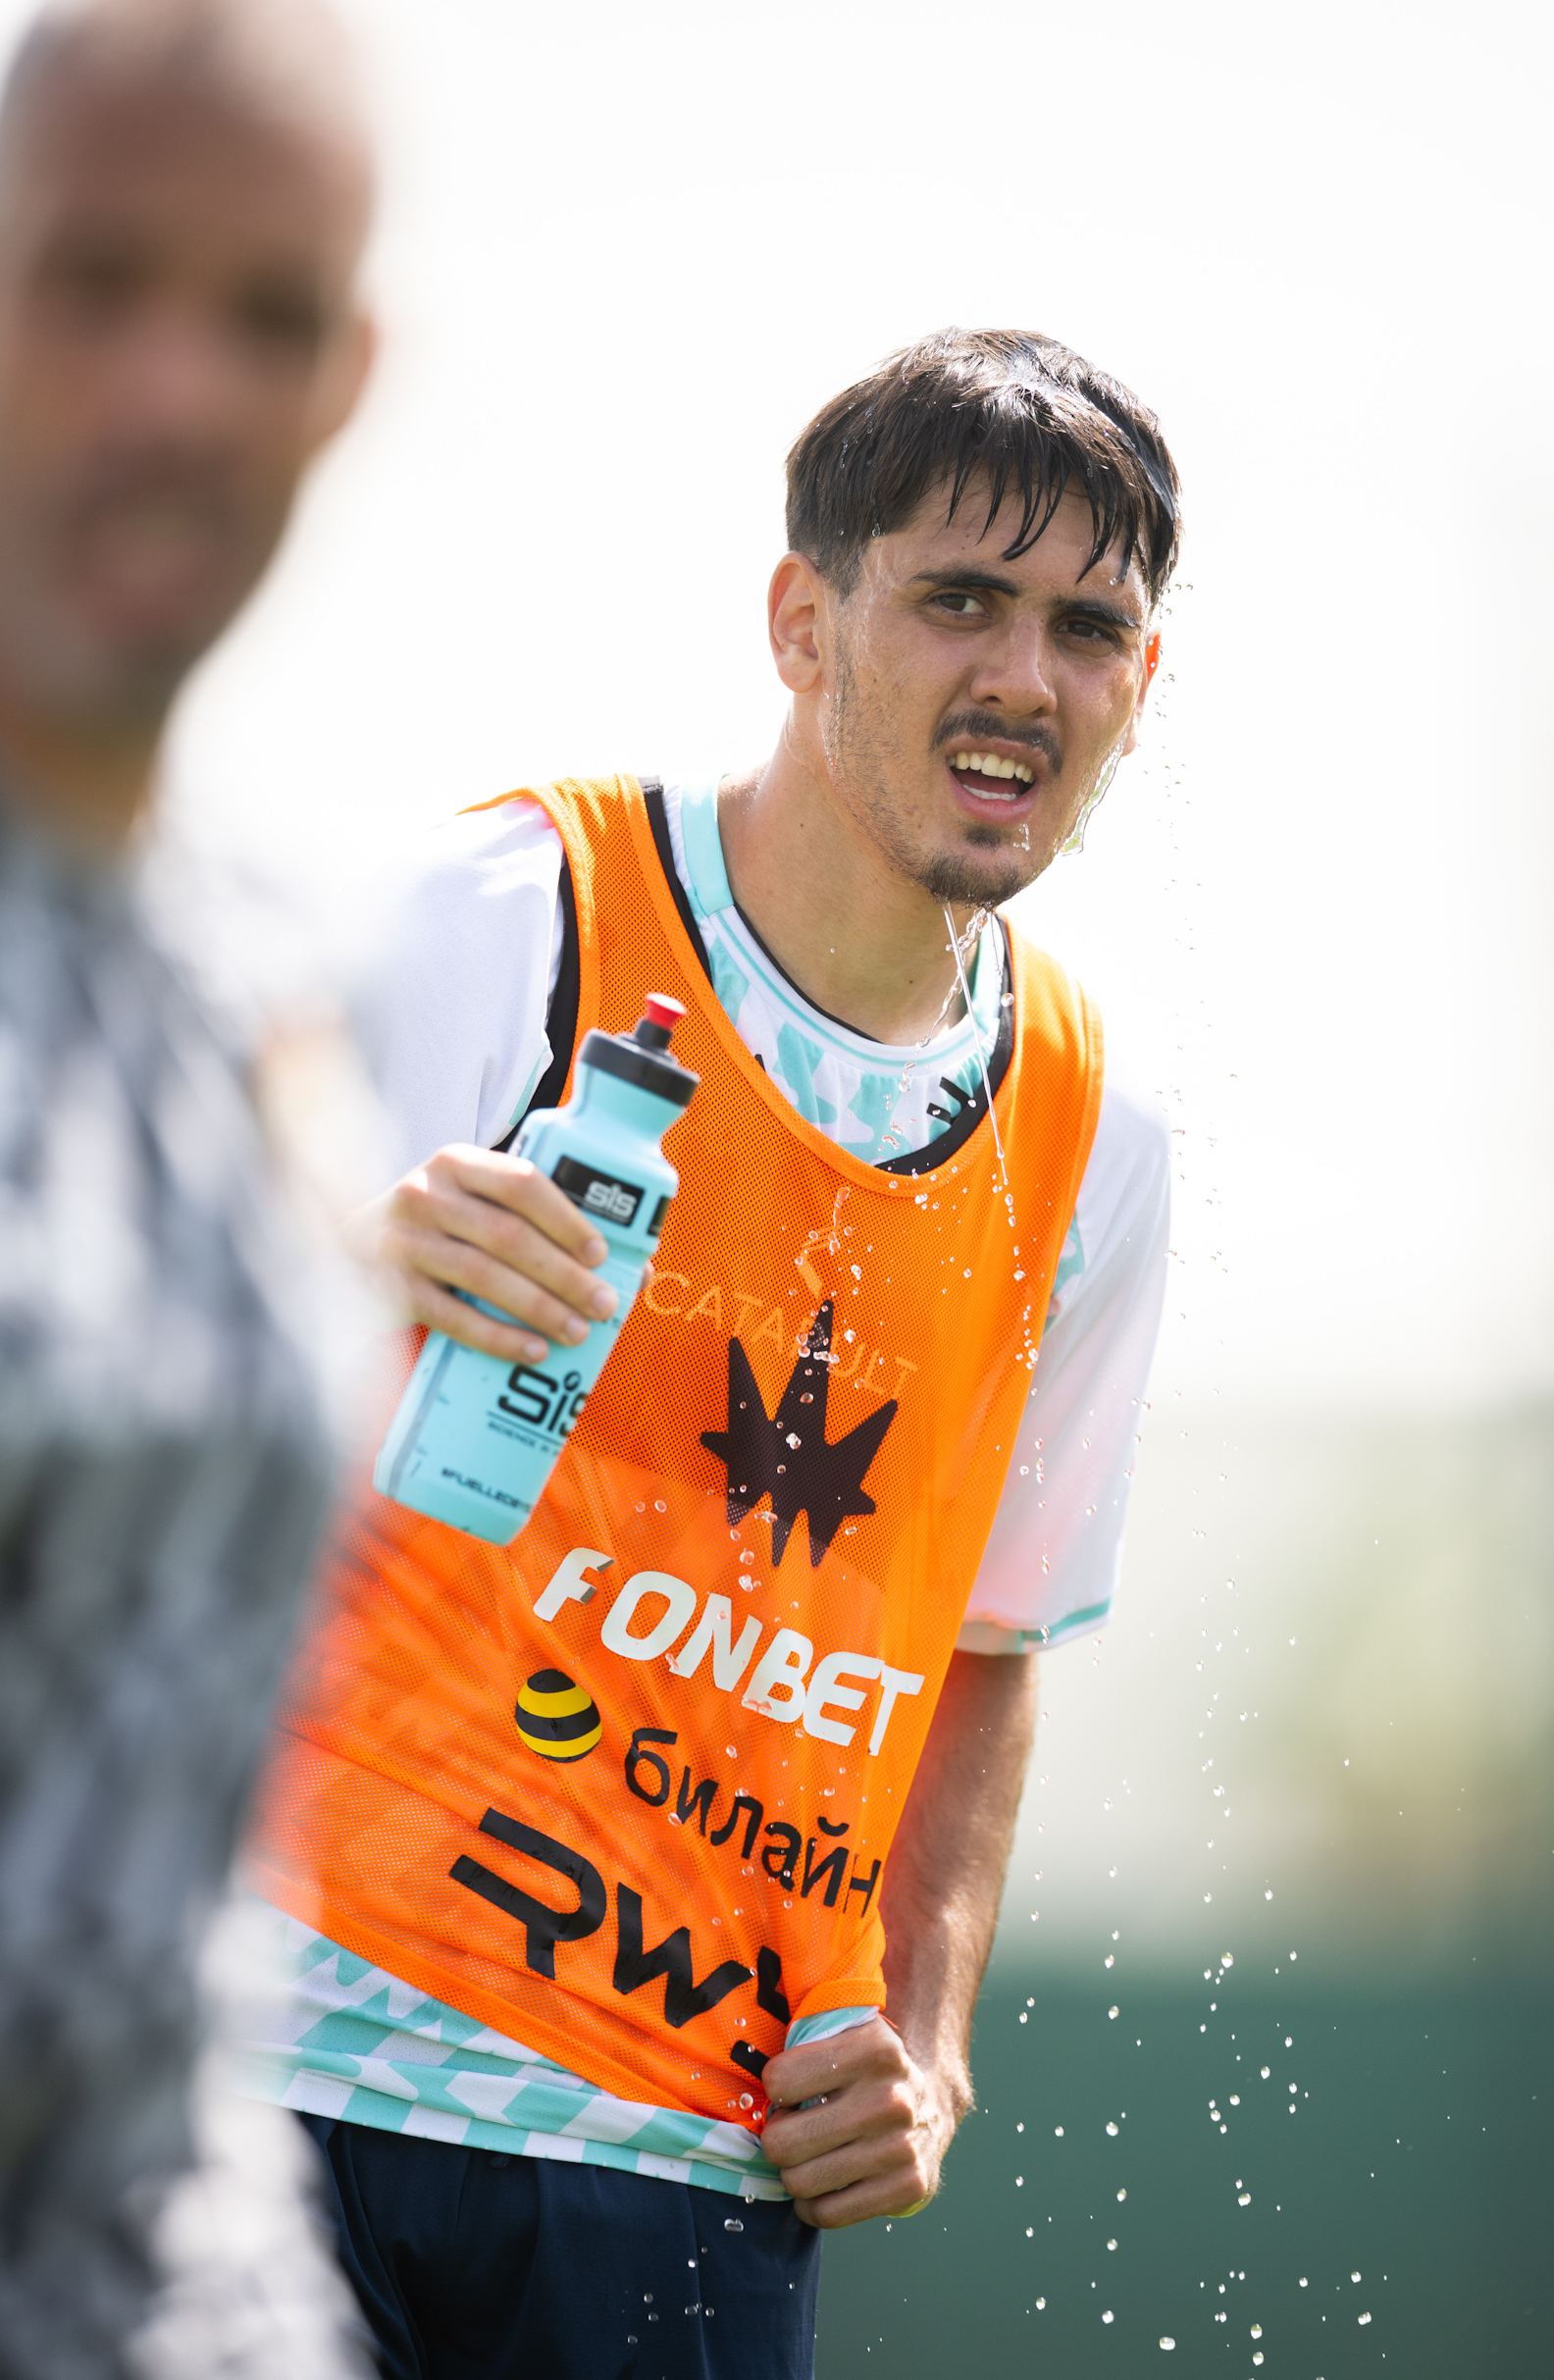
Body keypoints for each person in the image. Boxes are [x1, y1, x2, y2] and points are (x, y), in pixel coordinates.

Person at [243, 328, 1180, 2380]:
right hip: (259, 2076)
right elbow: (119, 1368)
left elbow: (990, 1639)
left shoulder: (1092, 1135)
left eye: (1087, 627)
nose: (1022, 676)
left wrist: (924, 2032)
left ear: (1141, 683)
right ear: (800, 620)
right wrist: (335, 1263)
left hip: (687, 2164)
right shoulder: (505, 916)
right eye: (958, 598)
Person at [0, 2, 376, 2372]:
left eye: (263, 317)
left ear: (348, 381)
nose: (176, 394)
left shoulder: (261, 975)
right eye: (92, 279)